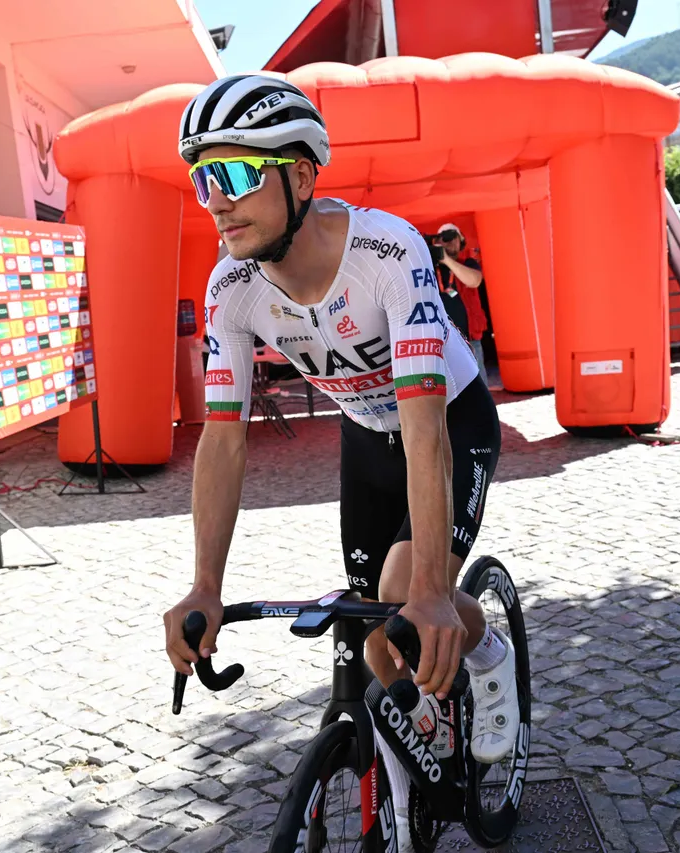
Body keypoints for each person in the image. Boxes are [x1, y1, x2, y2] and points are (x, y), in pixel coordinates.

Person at [162, 75, 519, 765]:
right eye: (204, 182)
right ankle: (419, 748)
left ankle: (489, 652)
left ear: (299, 175)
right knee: (370, 634)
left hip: (448, 419)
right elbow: (224, 438)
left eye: (235, 174)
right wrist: (206, 583)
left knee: (403, 595)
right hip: (364, 432)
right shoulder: (230, 287)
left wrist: (430, 594)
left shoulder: (387, 253)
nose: (218, 203)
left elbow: (423, 430)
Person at [432, 223, 491, 386]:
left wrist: (446, 259)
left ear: (461, 241)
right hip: (443, 343)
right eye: (444, 238)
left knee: (480, 386)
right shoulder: (430, 268)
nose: (448, 242)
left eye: (452, 237)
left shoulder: (468, 263)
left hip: (469, 339)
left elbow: (474, 281)